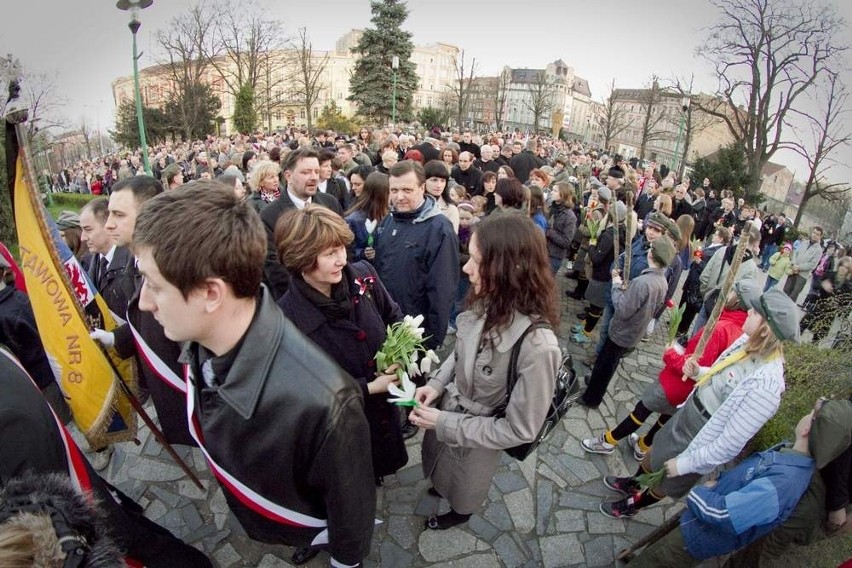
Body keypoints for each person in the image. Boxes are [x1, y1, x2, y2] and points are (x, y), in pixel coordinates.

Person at [133, 182, 376, 567]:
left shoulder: (325, 401)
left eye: (154, 285)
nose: (144, 302)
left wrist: (345, 561)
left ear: (212, 293)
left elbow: (351, 507)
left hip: (299, 524)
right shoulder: (198, 340)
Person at [409, 214, 561, 530]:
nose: (466, 268)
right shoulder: (488, 300)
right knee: (438, 469)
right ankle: (438, 487)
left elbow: (520, 430)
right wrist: (437, 384)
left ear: (508, 268)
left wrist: (445, 422)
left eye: (477, 261)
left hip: (478, 440)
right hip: (448, 409)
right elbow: (463, 349)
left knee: (464, 486)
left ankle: (458, 514)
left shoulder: (539, 347)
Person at [0, 347, 212, 567]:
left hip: (72, 510)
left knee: (135, 540)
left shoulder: (8, 423)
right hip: (72, 491)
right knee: (134, 532)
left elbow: (41, 510)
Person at [599, 288, 801, 518]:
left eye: (754, 312)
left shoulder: (767, 386)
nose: (748, 312)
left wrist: (686, 465)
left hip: (704, 435)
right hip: (689, 412)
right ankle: (633, 483)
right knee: (654, 453)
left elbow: (730, 442)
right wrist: (699, 372)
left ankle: (633, 505)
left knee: (668, 479)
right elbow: (720, 373)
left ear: (765, 330)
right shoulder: (746, 342)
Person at [276, 205, 408, 484]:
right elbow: (302, 393)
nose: (342, 260)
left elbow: (394, 316)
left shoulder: (364, 275)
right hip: (340, 429)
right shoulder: (285, 320)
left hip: (382, 414)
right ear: (301, 259)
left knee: (378, 461)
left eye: (342, 249)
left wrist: (399, 354)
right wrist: (369, 387)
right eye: (329, 254)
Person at [628, 403, 824, 568]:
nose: (805, 414)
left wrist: (699, 493)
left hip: (695, 537)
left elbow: (727, 515)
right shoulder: (788, 455)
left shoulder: (786, 481)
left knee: (658, 559)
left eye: (810, 413)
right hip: (696, 525)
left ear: (807, 429)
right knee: (653, 554)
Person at [582, 281, 756, 461]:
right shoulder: (739, 333)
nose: (725, 295)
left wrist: (670, 353)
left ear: (737, 301)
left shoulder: (720, 328)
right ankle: (643, 446)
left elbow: (694, 366)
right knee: (665, 416)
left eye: (731, 292)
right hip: (689, 389)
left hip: (676, 383)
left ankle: (608, 441)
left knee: (642, 409)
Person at [725, 398, 852, 567]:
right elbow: (842, 432)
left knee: (772, 536)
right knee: (772, 537)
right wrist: (838, 503)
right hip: (821, 479)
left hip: (830, 490)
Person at [578, 235, 675, 409]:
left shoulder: (643, 282)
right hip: (633, 332)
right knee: (606, 363)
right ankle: (594, 382)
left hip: (622, 332)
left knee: (605, 366)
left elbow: (622, 309)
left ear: (651, 255)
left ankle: (592, 397)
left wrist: (616, 284)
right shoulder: (661, 281)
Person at [373, 160, 459, 352]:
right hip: (384, 325)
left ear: (422, 188)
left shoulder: (439, 229)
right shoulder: (388, 222)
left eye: (407, 190)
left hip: (415, 335)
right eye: (394, 191)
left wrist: (430, 341)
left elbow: (442, 291)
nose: (399, 197)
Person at [260, 148, 343, 300]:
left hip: (336, 294)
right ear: (288, 176)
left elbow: (345, 245)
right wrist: (315, 291)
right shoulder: (268, 216)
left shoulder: (330, 203)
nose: (314, 178)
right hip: (297, 301)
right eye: (306, 172)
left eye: (316, 172)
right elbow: (275, 268)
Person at [80, 197, 135, 316]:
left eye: (88, 229)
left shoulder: (132, 263)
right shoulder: (92, 261)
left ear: (107, 225)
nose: (83, 238)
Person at [344, 171, 390, 263]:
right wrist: (363, 253)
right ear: (382, 194)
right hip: (366, 272)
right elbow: (347, 253)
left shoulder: (392, 216)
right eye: (392, 191)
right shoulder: (353, 220)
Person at [784, 226, 824, 303]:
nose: (814, 235)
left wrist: (799, 267)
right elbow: (795, 253)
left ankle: (786, 313)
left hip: (802, 275)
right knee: (786, 289)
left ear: (820, 236)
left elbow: (812, 265)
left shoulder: (819, 250)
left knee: (793, 294)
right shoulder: (804, 242)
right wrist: (794, 264)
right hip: (793, 270)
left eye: (817, 234)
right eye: (814, 233)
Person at [545, 182, 577, 274]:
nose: (551, 192)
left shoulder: (570, 217)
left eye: (555, 191)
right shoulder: (550, 208)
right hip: (542, 251)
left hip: (553, 256)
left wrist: (549, 231)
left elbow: (566, 241)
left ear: (563, 194)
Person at [425, 159, 460, 233]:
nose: (439, 185)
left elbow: (450, 240)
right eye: (434, 180)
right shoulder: (414, 205)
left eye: (442, 181)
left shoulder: (451, 210)